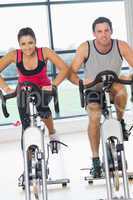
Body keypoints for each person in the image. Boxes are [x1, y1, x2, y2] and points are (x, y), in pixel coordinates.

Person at [0, 27, 68, 180]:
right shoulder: (14, 55)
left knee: (42, 108)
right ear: (19, 44)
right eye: (23, 44)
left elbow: (64, 68)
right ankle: (28, 168)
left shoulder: (44, 52)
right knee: (26, 129)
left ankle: (52, 133)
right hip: (23, 91)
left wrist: (54, 85)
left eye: (30, 43)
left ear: (35, 42)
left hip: (43, 90)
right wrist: (6, 87)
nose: (27, 47)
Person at [68, 17, 133, 178]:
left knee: (122, 90)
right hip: (93, 89)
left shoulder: (121, 45)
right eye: (99, 31)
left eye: (106, 30)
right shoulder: (85, 48)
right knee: (94, 117)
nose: (103, 34)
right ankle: (96, 160)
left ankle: (120, 121)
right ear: (94, 33)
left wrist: (128, 76)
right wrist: (83, 81)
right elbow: (70, 74)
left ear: (111, 31)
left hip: (112, 85)